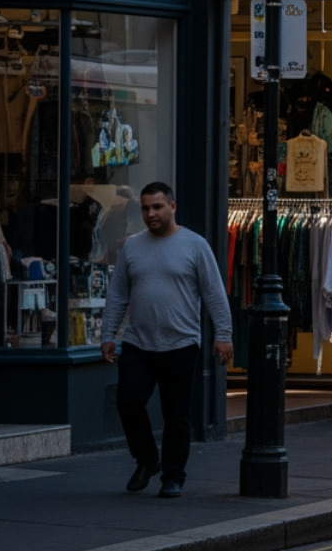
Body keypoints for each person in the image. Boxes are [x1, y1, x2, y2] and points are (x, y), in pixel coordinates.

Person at [100, 182, 233, 498]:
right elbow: (118, 293)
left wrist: (223, 335)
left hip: (181, 343)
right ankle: (147, 460)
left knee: (177, 415)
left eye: (157, 207)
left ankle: (174, 476)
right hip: (138, 343)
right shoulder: (132, 246)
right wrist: (109, 334)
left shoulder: (195, 245)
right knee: (128, 402)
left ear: (173, 207)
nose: (151, 214)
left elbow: (214, 292)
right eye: (145, 208)